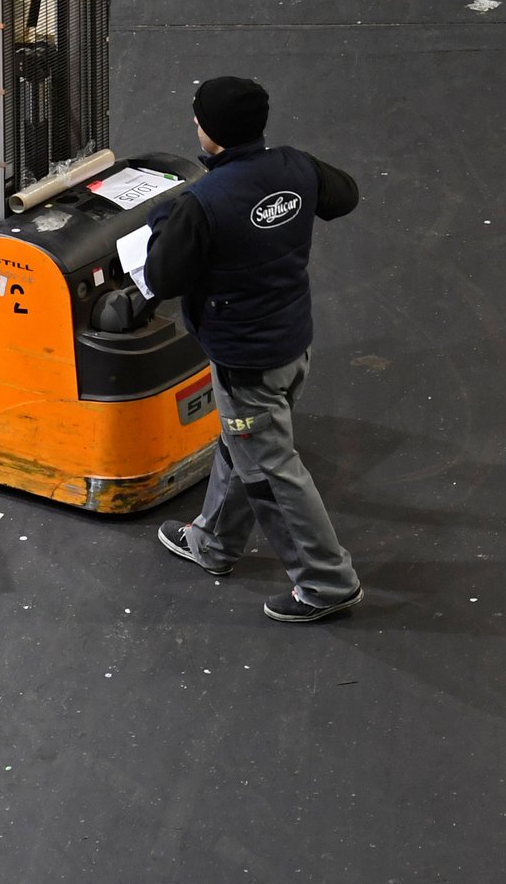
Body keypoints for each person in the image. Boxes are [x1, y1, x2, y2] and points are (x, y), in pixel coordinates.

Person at [144, 76, 363, 624]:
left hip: (245, 358)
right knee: (243, 442)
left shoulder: (203, 201)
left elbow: (163, 278)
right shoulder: (296, 167)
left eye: (198, 119)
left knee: (270, 471)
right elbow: (345, 195)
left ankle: (326, 582)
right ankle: (214, 540)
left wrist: (163, 223)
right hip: (291, 341)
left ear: (211, 133)